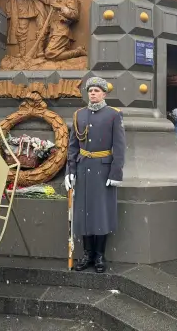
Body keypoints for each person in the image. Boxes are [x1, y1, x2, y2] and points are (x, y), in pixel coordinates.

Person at [65, 77, 126, 273]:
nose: (93, 93)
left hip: (103, 171)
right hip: (83, 169)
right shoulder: (79, 115)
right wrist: (70, 171)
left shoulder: (113, 115)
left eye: (97, 90)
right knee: (83, 214)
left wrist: (116, 172)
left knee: (101, 214)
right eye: (90, 90)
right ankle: (87, 254)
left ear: (104, 94)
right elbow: (73, 146)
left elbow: (119, 146)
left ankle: (99, 255)